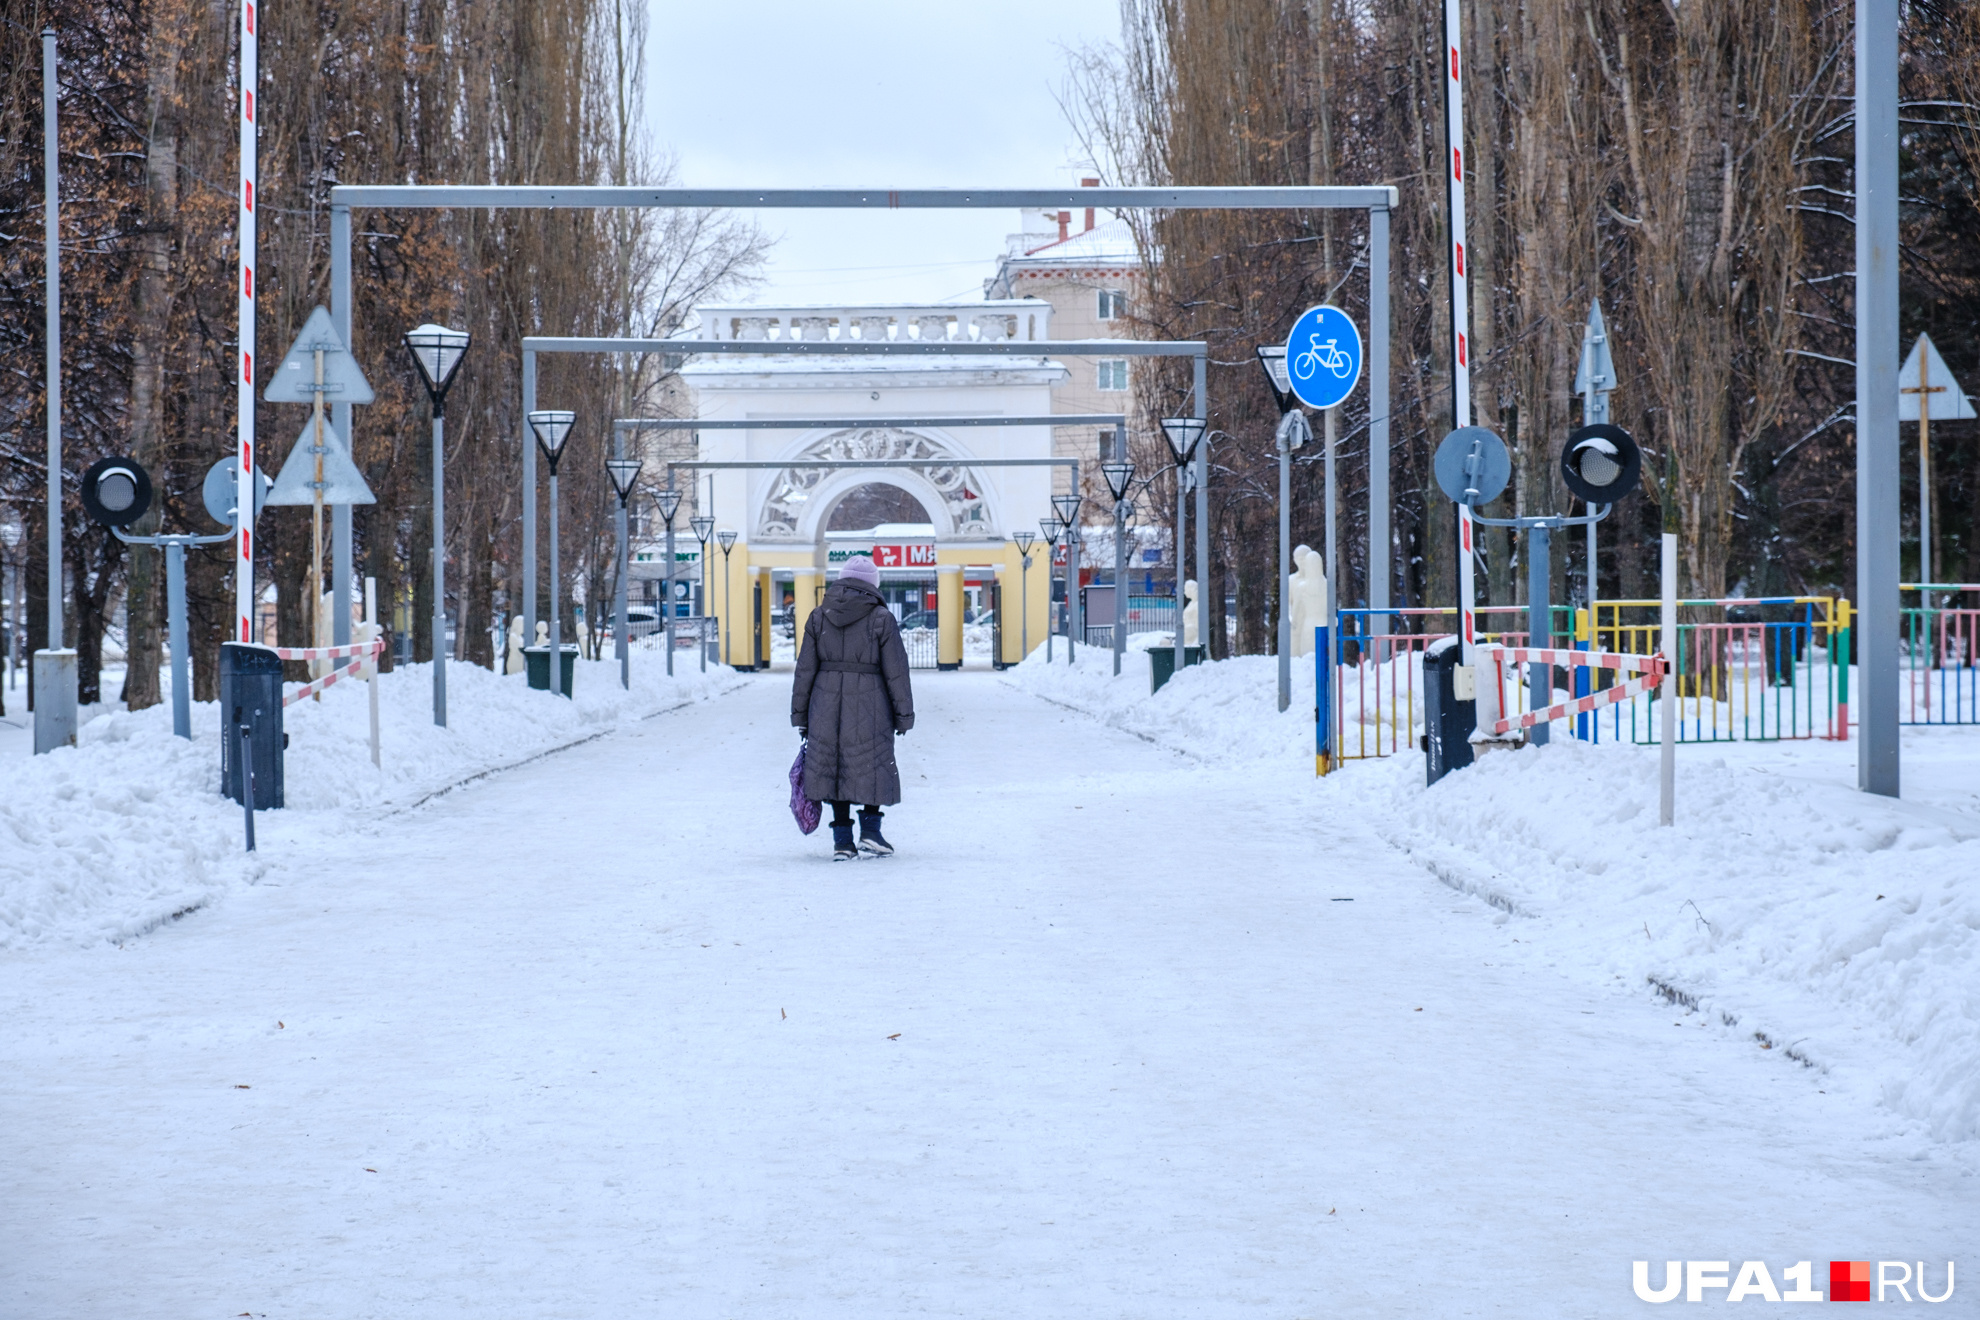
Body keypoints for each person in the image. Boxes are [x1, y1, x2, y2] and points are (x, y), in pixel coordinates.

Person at [791, 554, 915, 860]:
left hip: (825, 702)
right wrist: (903, 716)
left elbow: (804, 669)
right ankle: (871, 832)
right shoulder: (881, 619)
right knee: (872, 763)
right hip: (871, 702)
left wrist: (801, 715)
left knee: (833, 765)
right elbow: (896, 670)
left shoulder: (819, 616)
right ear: (873, 585)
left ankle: (842, 840)